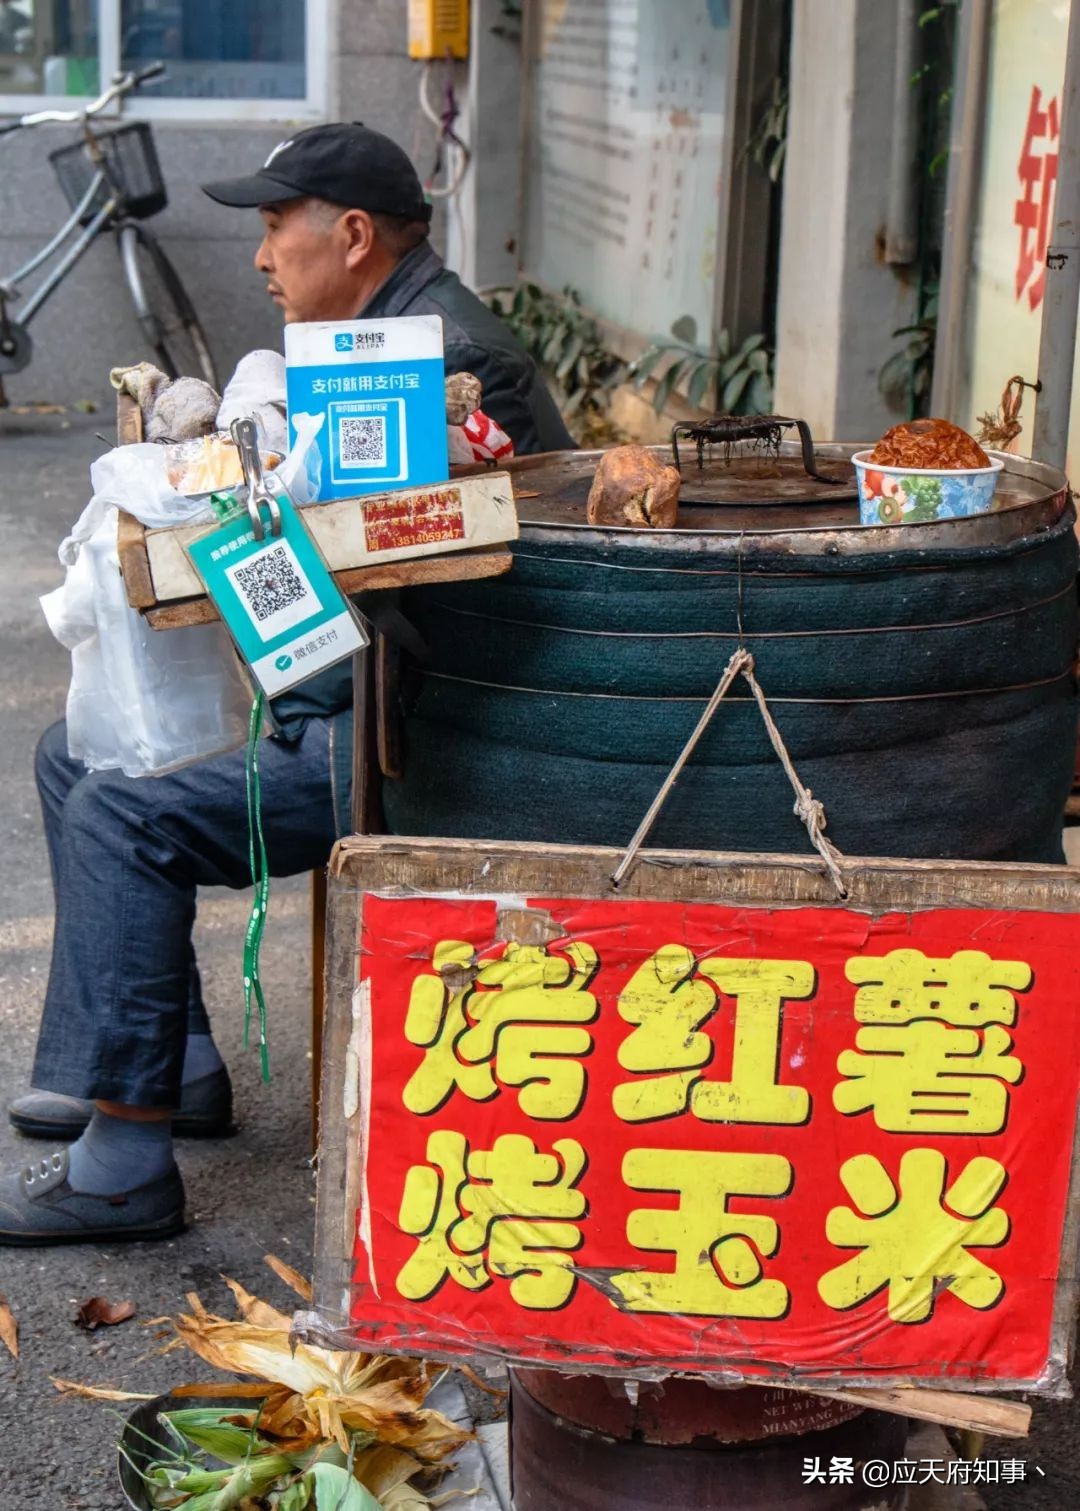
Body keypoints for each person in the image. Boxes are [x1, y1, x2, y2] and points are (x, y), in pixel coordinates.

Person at [0, 123, 573, 1246]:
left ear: (352, 235)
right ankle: (166, 1063)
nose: (261, 258)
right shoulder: (373, 336)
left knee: (123, 800)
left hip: (432, 729)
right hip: (365, 684)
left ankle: (124, 1161)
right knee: (77, 750)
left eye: (274, 227)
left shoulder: (447, 359)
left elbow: (420, 577)